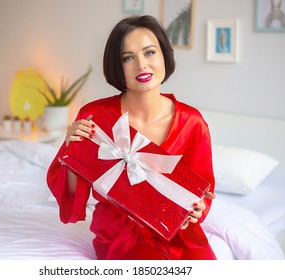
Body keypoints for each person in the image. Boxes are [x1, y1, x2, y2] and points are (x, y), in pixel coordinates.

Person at [47, 15, 216, 260]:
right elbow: (73, 192)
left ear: (164, 56)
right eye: (128, 58)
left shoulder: (193, 122)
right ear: (117, 66)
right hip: (121, 235)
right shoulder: (94, 116)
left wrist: (198, 210)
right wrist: (70, 152)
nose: (141, 65)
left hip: (177, 235)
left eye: (149, 53)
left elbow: (201, 191)